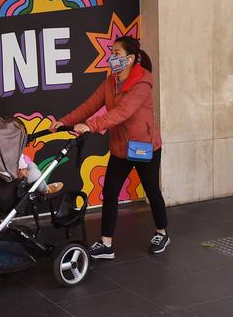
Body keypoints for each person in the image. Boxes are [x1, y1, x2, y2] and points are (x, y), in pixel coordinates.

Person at [49, 36, 169, 259]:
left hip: (144, 147)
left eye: (117, 54)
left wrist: (90, 126)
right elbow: (89, 105)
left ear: (131, 58)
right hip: (121, 148)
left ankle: (162, 232)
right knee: (110, 192)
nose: (112, 57)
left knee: (152, 190)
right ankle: (106, 243)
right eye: (112, 52)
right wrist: (64, 122)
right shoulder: (110, 82)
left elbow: (122, 112)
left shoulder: (142, 83)